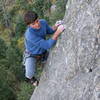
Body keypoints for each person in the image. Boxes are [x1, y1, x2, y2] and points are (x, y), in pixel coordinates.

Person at [23, 11, 65, 86]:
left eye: (37, 21)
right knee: (29, 73)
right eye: (33, 24)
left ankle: (42, 60)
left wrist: (56, 26)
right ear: (29, 25)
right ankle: (31, 79)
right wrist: (58, 31)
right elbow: (47, 45)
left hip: (43, 51)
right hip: (32, 54)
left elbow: (49, 31)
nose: (37, 24)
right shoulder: (29, 35)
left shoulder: (43, 22)